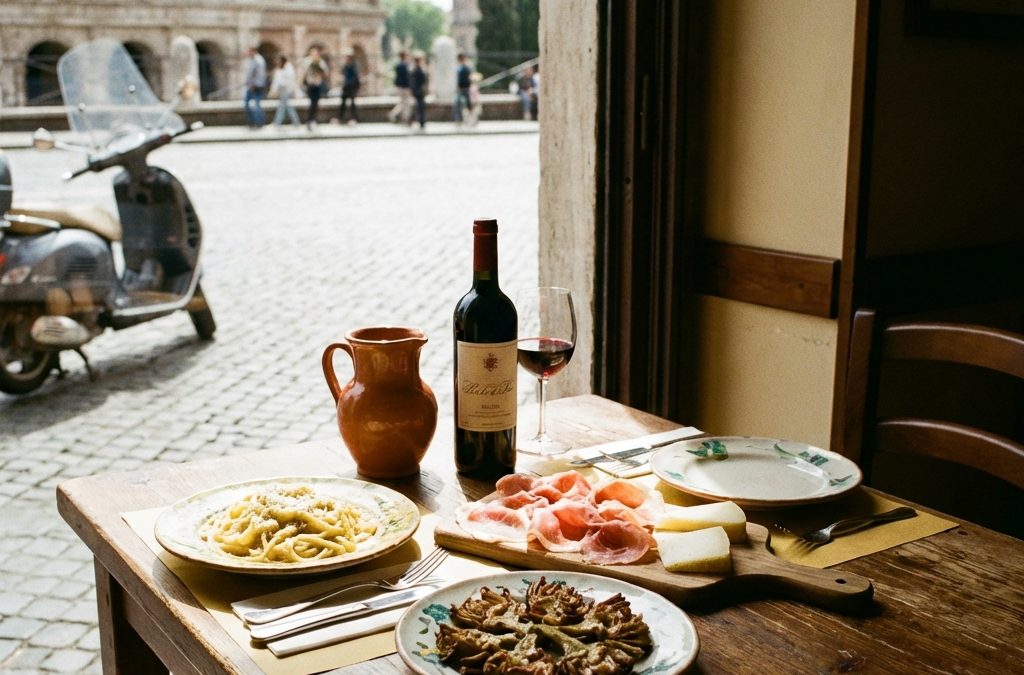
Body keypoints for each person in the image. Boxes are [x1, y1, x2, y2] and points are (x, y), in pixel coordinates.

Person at [301, 46, 328, 131]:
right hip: (310, 85)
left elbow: (325, 73)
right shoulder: (307, 61)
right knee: (312, 103)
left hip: (318, 85)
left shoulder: (320, 61)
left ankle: (312, 120)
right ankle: (310, 120)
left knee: (315, 103)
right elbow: (303, 72)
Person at [269, 54, 300, 128]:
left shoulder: (288, 68)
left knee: (283, 106)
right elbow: (276, 80)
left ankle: (277, 123)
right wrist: (273, 89)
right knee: (286, 106)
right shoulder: (280, 68)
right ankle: (295, 121)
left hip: (285, 89)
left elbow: (290, 80)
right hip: (281, 89)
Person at [242, 47, 267, 129]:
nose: (248, 53)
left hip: (256, 86)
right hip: (250, 86)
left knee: (257, 105)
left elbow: (257, 74)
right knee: (246, 104)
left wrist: (252, 84)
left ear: (253, 51)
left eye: (249, 52)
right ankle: (251, 122)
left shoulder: (258, 61)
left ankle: (259, 123)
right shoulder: (250, 60)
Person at [336, 52, 361, 125]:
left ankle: (354, 118)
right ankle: (340, 118)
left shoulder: (354, 66)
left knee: (352, 103)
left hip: (352, 87)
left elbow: (356, 76)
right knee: (343, 103)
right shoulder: (345, 66)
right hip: (346, 87)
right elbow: (343, 74)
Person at [388, 51, 412, 124]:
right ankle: (405, 117)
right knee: (406, 102)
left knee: (403, 102)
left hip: (399, 86)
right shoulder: (406, 65)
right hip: (405, 86)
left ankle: (394, 114)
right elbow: (408, 77)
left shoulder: (398, 65)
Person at [409, 53, 428, 130]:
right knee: (420, 107)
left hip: (417, 91)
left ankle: (416, 120)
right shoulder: (418, 70)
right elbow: (422, 81)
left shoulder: (414, 69)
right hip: (419, 91)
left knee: (418, 107)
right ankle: (421, 122)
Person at [453, 53, 472, 124]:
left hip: (465, 88)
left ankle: (468, 118)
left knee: (467, 103)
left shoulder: (466, 68)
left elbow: (468, 78)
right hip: (461, 88)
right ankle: (459, 119)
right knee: (458, 104)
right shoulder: (459, 68)